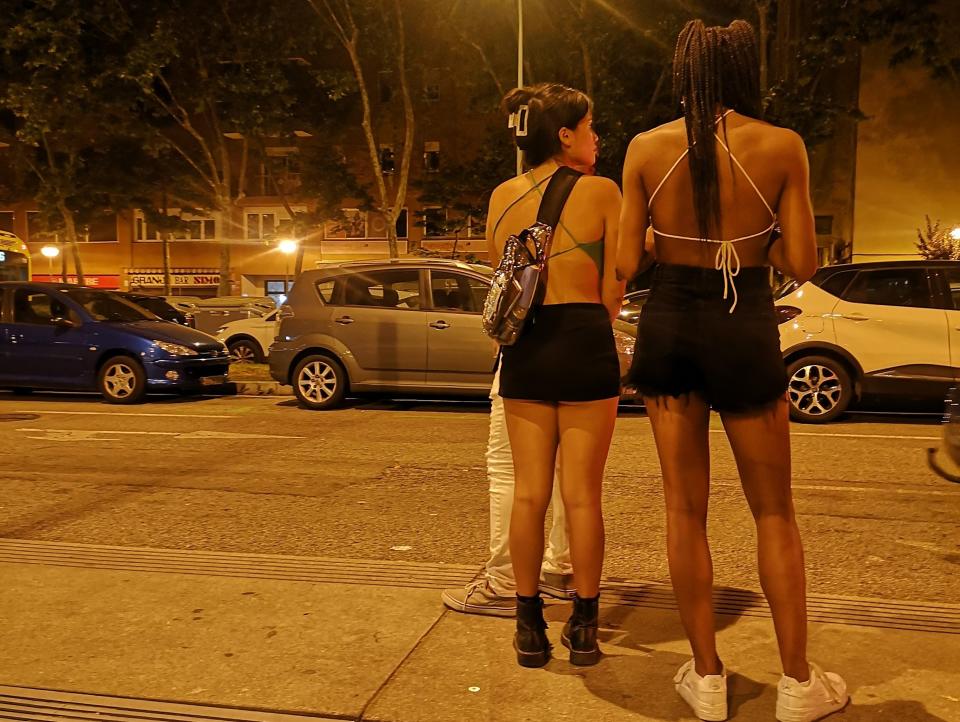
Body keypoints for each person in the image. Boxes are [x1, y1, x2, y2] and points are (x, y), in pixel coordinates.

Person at [616, 20, 848, 722]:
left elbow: (628, 262)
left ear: (685, 72)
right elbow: (803, 263)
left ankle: (708, 679)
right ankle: (799, 685)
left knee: (685, 509)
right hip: (743, 316)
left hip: (671, 320)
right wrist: (754, 241)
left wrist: (668, 238)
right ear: (746, 71)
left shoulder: (645, 148)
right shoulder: (781, 146)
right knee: (774, 510)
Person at [486, 82, 624, 668]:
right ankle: (586, 630)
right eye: (590, 128)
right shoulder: (602, 191)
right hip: (585, 339)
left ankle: (528, 626)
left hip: (527, 348)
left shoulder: (500, 197)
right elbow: (615, 283)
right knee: (583, 497)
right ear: (565, 134)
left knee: (529, 493)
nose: (596, 139)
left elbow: (504, 276)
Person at [440, 363, 575, 618]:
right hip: (587, 360)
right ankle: (563, 566)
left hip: (529, 358)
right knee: (571, 473)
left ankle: (504, 584)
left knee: (509, 468)